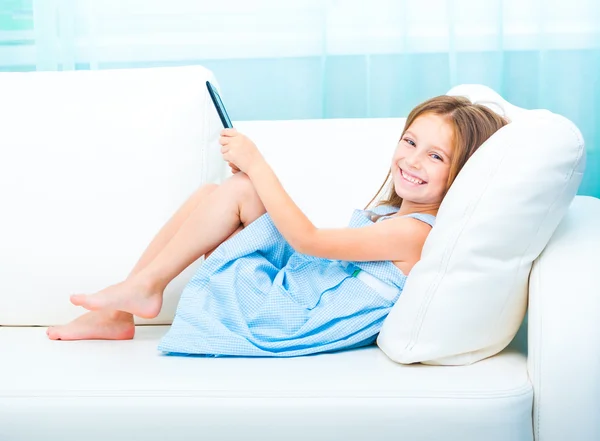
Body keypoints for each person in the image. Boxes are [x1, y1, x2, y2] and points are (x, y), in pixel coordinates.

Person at [47, 95, 508, 355]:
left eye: (435, 156)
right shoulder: (393, 217)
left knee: (242, 189)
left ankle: (137, 294)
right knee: (215, 195)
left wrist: (258, 165)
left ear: (462, 173)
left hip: (284, 320)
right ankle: (125, 304)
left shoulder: (415, 233)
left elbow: (308, 240)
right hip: (294, 294)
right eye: (410, 141)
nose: (411, 160)